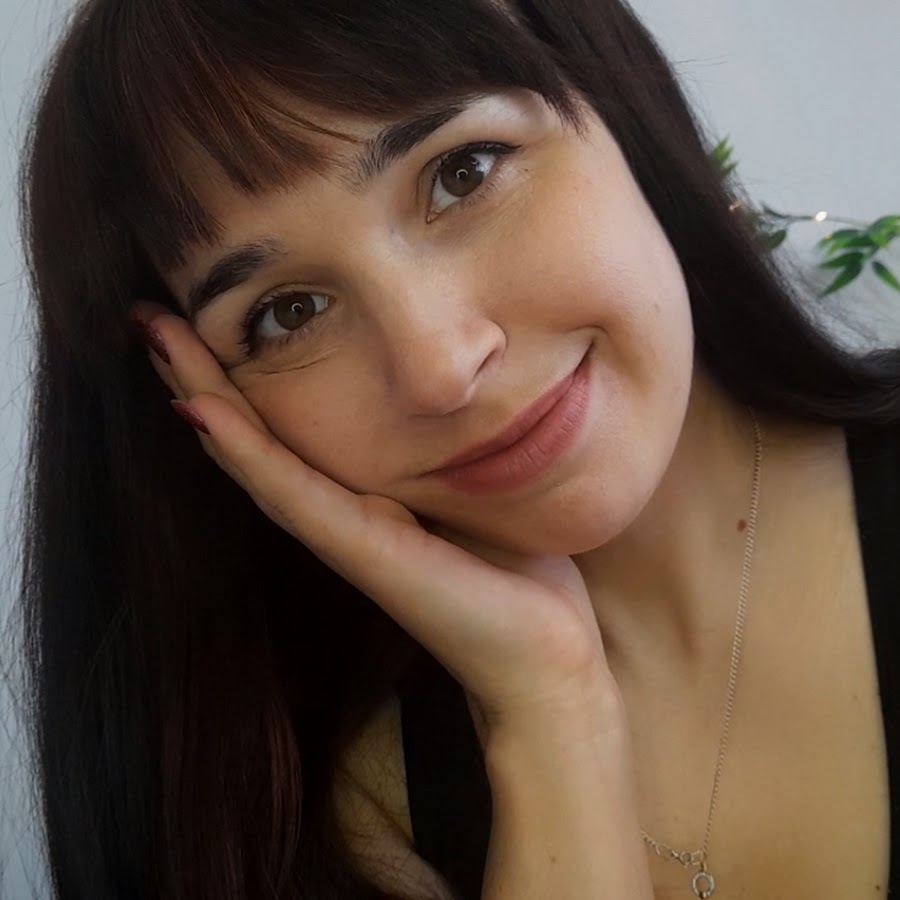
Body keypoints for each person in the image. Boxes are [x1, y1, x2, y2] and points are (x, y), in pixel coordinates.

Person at [12, 0, 900, 897]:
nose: (438, 368)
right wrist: (552, 715)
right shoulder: (301, 814)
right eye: (289, 313)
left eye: (462, 173)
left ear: (620, 113)